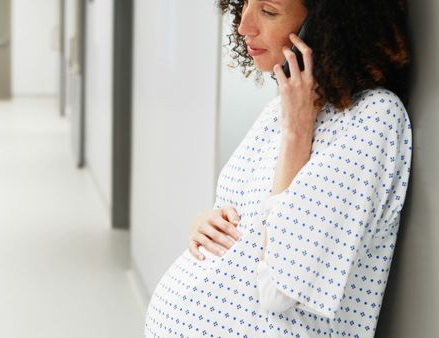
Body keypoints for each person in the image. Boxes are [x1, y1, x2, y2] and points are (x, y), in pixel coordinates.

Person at [144, 0, 412, 337]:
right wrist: (206, 225)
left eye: (269, 12)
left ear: (323, 27)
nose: (244, 26)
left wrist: (298, 135)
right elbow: (249, 225)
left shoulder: (372, 120)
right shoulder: (281, 110)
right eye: (244, 4)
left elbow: (280, 290)